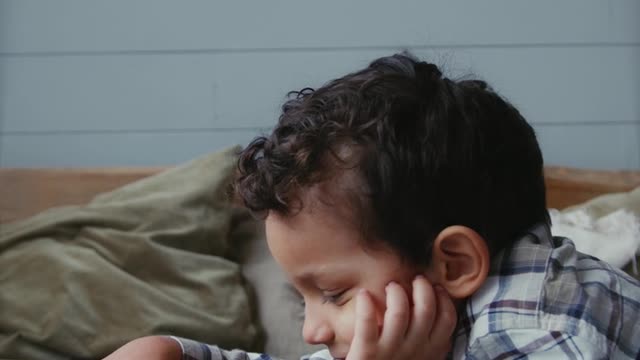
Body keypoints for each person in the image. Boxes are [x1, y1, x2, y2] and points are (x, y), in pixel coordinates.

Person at [105, 53, 640, 360]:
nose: (312, 332)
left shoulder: (552, 336)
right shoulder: (428, 318)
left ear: (453, 263)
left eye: (334, 294)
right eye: (304, 302)